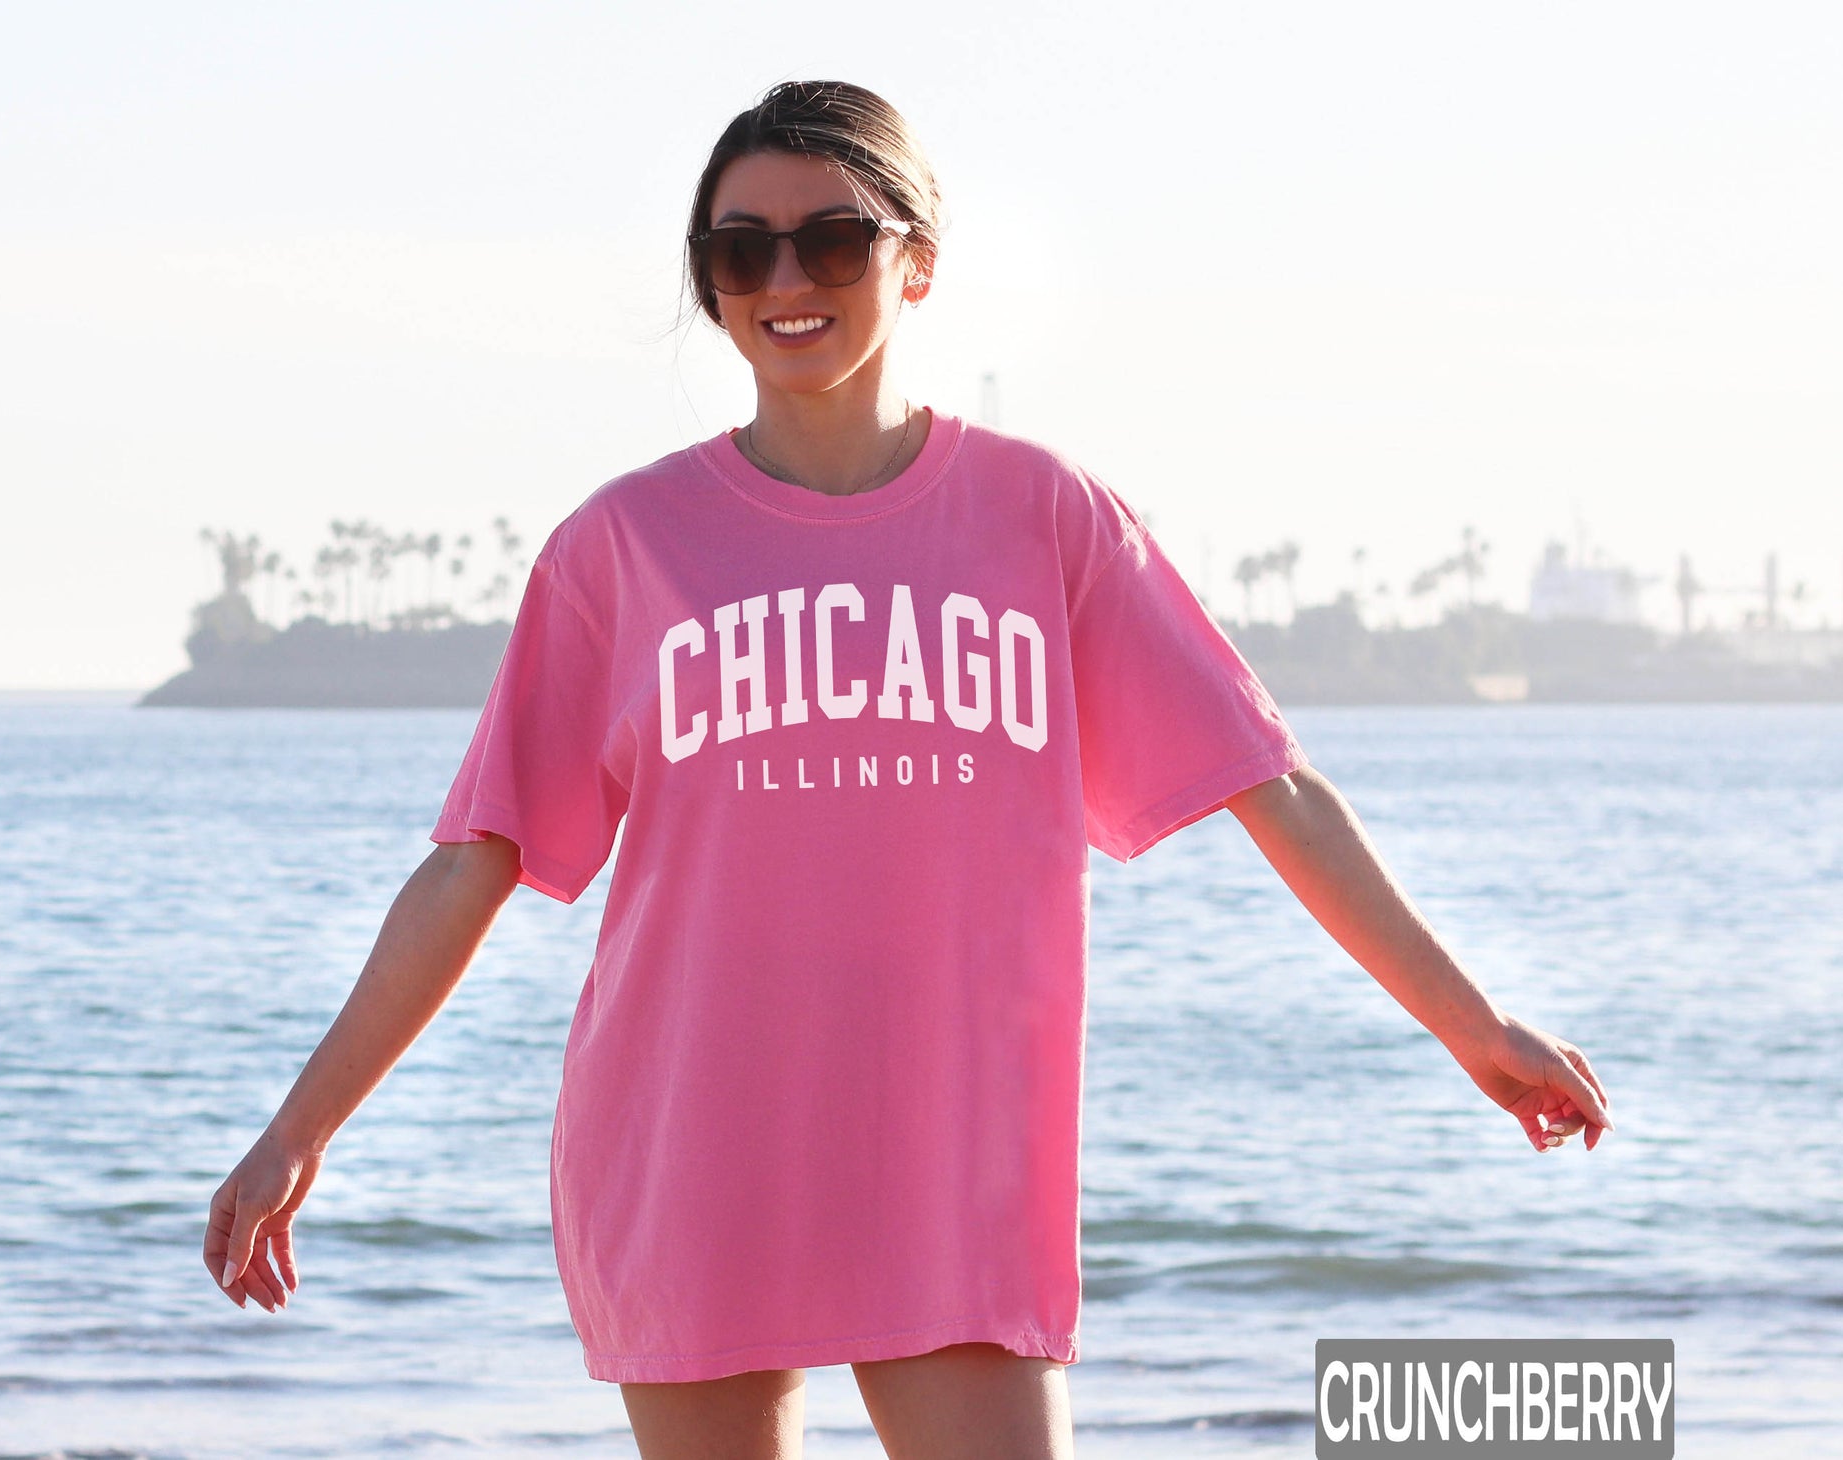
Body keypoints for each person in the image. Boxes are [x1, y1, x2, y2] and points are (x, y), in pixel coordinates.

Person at [204, 79, 1614, 1460]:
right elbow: (480, 855)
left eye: (829, 238)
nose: (782, 279)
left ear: (917, 260)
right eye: (736, 249)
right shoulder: (620, 549)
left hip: (951, 1162)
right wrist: (298, 1131)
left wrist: (1468, 1023)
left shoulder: (1042, 518)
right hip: (691, 1139)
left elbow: (1271, 784)